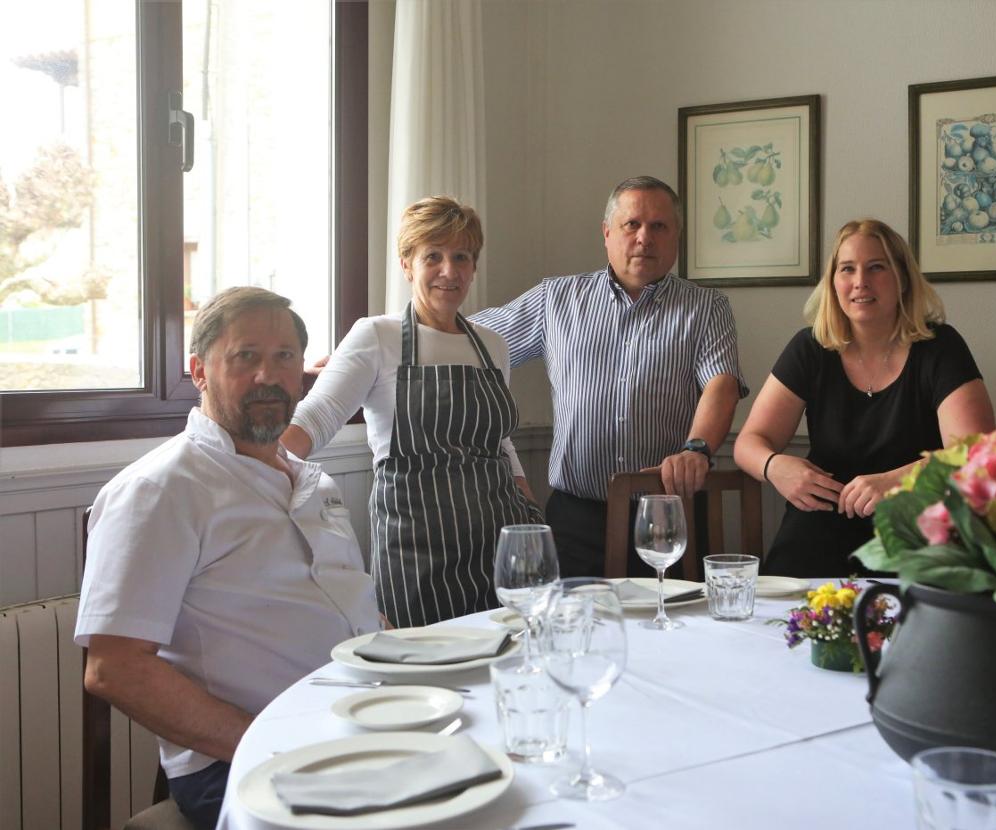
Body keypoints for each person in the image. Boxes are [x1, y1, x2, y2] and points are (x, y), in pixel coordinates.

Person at [75, 287, 380, 830]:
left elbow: (348, 609)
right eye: (245, 356)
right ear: (199, 371)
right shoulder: (161, 489)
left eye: (284, 356)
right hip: (238, 757)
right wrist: (272, 741)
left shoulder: (315, 483)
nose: (268, 375)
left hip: (351, 727)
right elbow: (114, 668)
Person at [282, 196, 542, 628]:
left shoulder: (493, 345)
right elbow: (317, 417)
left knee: (506, 655)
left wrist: (531, 513)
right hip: (416, 553)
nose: (449, 271)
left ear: (474, 267)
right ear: (407, 264)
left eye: (461, 257)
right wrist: (250, 472)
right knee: (422, 663)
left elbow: (498, 441)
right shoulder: (375, 336)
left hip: (499, 542)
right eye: (433, 256)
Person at [471, 176, 748, 577]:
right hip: (575, 519)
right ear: (607, 233)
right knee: (572, 617)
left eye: (659, 226)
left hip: (666, 514)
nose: (644, 237)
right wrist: (402, 332)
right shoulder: (555, 300)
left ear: (677, 237)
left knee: (672, 616)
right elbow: (472, 344)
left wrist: (696, 449)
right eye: (631, 224)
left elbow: (722, 384)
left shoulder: (706, 308)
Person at [734, 218, 996, 577]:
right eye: (847, 269)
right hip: (819, 524)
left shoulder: (941, 348)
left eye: (876, 267)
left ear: (902, 278)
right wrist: (774, 466)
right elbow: (748, 442)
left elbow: (974, 454)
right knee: (776, 607)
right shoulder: (809, 348)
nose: (860, 281)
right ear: (833, 282)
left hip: (915, 526)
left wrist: (895, 481)